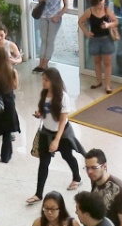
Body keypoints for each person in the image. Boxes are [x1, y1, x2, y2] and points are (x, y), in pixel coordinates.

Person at [31, 67, 83, 204]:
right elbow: (45, 112)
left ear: (54, 81)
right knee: (44, 163)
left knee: (67, 156)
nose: (44, 82)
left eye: (46, 80)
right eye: (43, 79)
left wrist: (56, 140)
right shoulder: (44, 94)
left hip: (62, 134)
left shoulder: (63, 97)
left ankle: (77, 178)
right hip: (46, 132)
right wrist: (40, 114)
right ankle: (38, 193)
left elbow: (62, 120)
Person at [81, 0, 120, 93]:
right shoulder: (89, 11)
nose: (102, 6)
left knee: (107, 62)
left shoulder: (107, 10)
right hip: (95, 39)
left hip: (106, 39)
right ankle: (98, 81)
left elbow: (116, 21)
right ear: (94, 4)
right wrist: (86, 32)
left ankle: (107, 85)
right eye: (100, 4)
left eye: (103, 3)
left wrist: (108, 25)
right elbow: (80, 21)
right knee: (97, 61)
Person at [34, 0, 66, 70]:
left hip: (54, 18)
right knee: (43, 39)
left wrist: (58, 16)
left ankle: (45, 63)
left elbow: (66, 6)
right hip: (43, 16)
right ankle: (41, 63)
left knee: (50, 40)